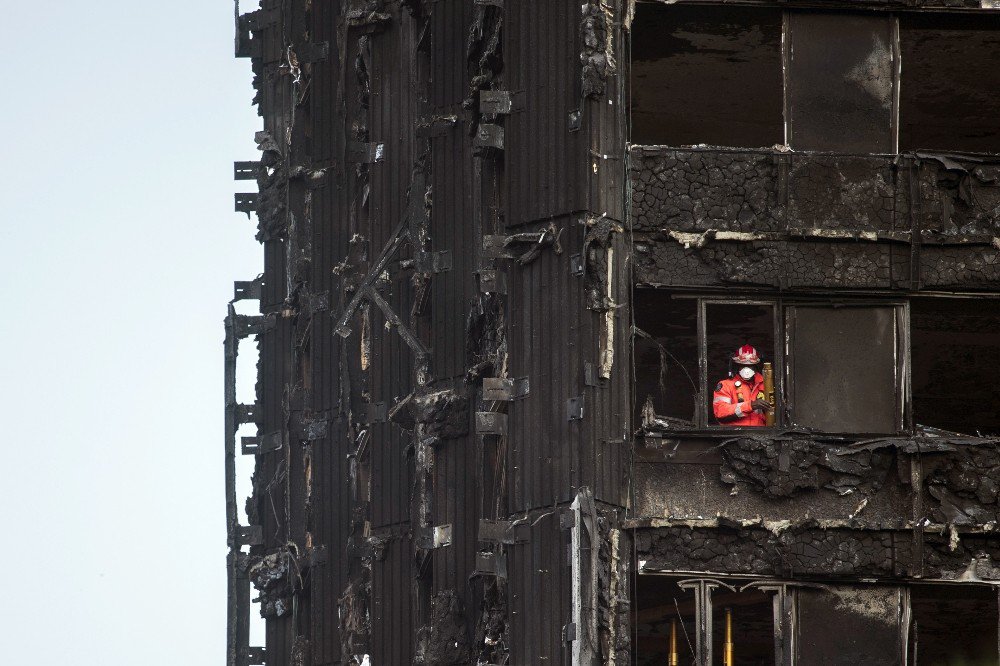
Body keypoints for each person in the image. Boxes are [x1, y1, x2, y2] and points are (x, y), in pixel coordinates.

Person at [713, 344, 771, 427]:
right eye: (743, 365)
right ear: (736, 366)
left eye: (750, 366)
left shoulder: (766, 385)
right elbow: (720, 413)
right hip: (735, 435)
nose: (747, 370)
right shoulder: (725, 385)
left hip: (760, 434)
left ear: (756, 366)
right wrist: (750, 406)